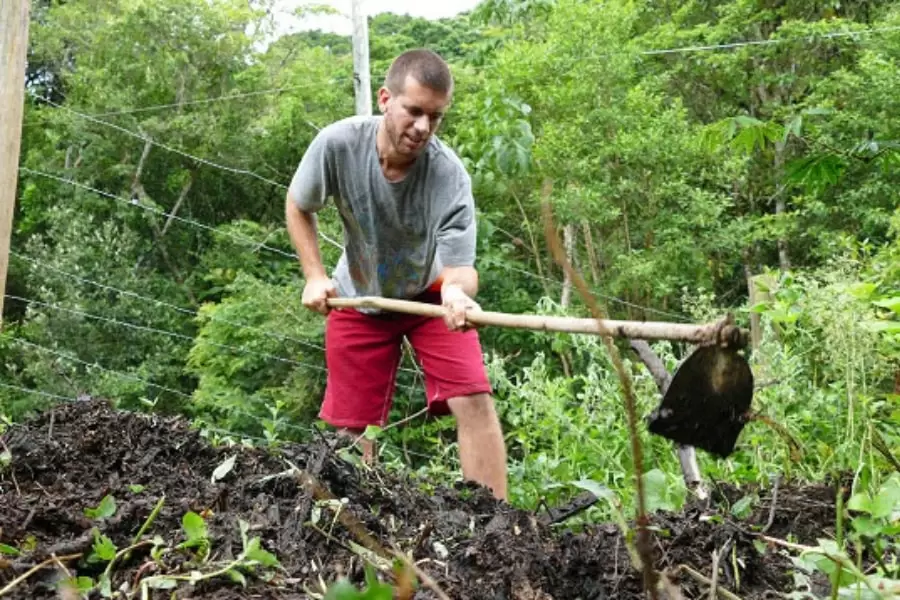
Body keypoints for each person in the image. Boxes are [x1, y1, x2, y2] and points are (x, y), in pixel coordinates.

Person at [284, 49, 508, 501]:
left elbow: (461, 269)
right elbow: (298, 205)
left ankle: (496, 527)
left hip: (432, 298)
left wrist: (458, 296)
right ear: (386, 99)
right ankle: (354, 524)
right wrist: (313, 275)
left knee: (474, 399)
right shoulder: (338, 144)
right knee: (349, 429)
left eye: (435, 117)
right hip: (359, 297)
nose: (423, 127)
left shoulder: (447, 174)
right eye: (414, 110)